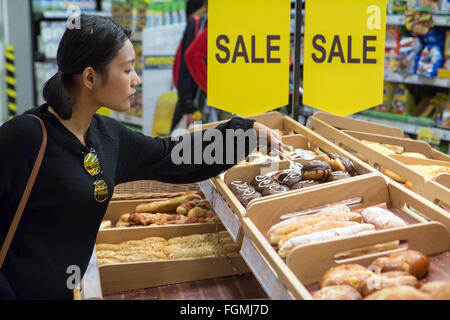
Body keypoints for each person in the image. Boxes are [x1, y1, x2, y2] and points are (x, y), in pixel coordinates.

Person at [0, 15, 282, 299]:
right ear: (90, 77)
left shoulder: (107, 136)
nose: (137, 79)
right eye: (127, 70)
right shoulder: (25, 138)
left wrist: (244, 133)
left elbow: (172, 156)